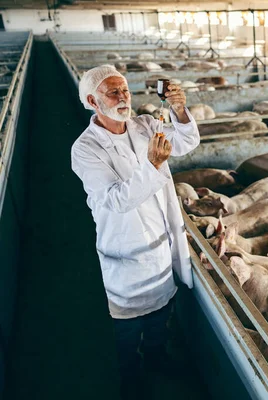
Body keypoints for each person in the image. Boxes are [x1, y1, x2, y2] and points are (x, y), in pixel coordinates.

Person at [71, 65, 200, 397]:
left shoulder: (144, 124)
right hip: (126, 250)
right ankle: (130, 375)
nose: (122, 97)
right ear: (92, 100)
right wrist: (153, 165)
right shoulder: (86, 149)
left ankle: (156, 358)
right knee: (127, 324)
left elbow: (186, 142)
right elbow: (115, 200)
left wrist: (179, 110)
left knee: (161, 309)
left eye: (125, 90)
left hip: (161, 241)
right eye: (112, 92)